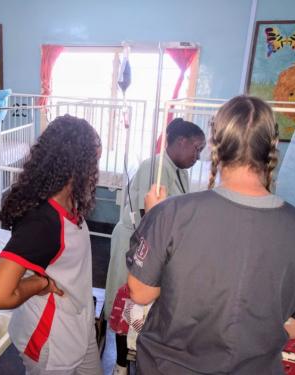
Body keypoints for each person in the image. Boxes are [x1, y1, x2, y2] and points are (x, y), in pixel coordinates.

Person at [127, 95, 295, 374]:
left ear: (214, 145)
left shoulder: (171, 215)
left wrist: (154, 220)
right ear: (274, 146)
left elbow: (141, 292)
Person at [0, 114, 103, 374]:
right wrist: (41, 283)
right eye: (93, 162)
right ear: (76, 165)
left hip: (79, 324)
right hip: (52, 339)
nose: (96, 171)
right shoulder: (44, 221)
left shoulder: (71, 201)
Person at [104, 118, 205, 374]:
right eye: (196, 148)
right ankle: (119, 364)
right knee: (126, 303)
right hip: (135, 241)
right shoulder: (155, 167)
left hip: (155, 244)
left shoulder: (179, 171)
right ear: (180, 142)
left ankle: (135, 356)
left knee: (142, 305)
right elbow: (148, 214)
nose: (198, 155)